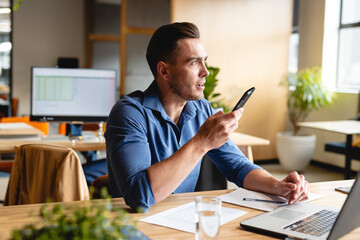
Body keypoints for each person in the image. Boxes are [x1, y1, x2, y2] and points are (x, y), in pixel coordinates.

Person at [105, 22, 309, 211]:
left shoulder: (201, 109)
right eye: (194, 63)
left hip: (179, 218)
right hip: (132, 224)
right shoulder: (129, 113)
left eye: (205, 61)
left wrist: (279, 186)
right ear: (164, 71)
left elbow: (237, 166)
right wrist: (202, 142)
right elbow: (139, 197)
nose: (206, 72)